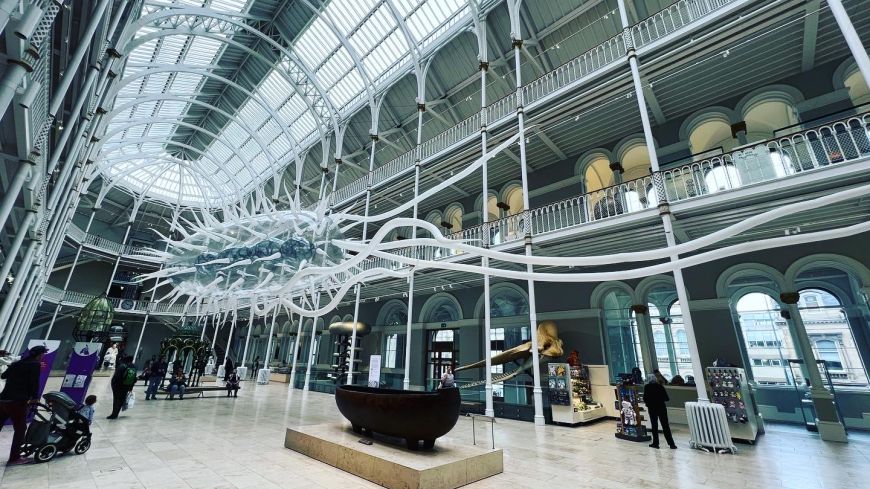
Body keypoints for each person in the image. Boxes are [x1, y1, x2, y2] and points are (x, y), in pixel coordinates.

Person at [0, 345, 47, 465]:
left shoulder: (18, 363)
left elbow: (3, 375)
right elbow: (34, 382)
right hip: (18, 401)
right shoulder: (35, 364)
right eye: (43, 354)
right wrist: (35, 398)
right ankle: (15, 458)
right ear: (40, 354)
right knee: (20, 429)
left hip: (4, 399)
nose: (43, 356)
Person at [643, 374, 676, 449]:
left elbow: (645, 398)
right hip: (661, 407)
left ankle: (656, 443)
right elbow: (667, 398)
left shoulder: (647, 387)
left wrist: (649, 403)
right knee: (665, 426)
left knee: (654, 426)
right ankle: (671, 444)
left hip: (652, 408)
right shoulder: (660, 386)